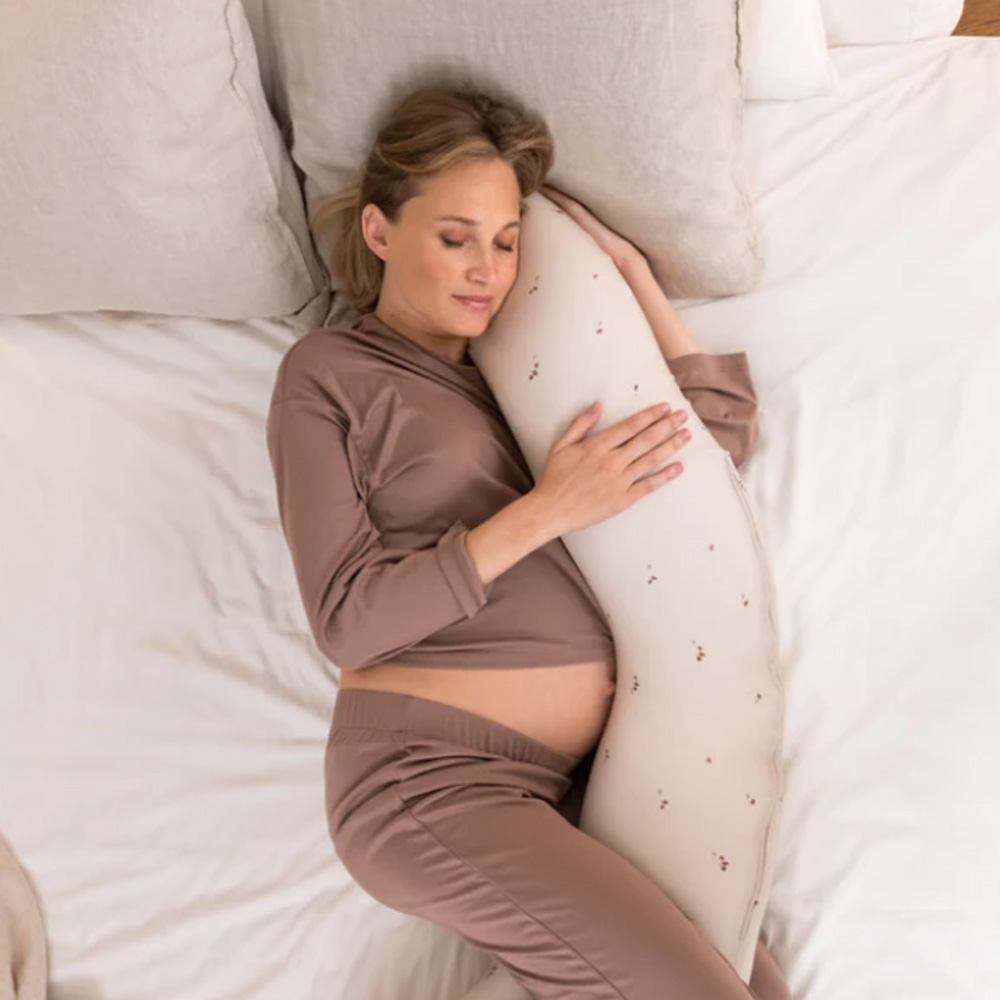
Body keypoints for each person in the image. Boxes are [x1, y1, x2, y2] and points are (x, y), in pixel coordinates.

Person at [266, 83, 789, 1000]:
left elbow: (709, 460)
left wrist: (630, 277)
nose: (486, 269)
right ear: (382, 233)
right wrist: (546, 509)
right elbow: (346, 620)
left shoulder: (525, 364)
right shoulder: (330, 374)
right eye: (454, 237)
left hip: (566, 785)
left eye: (507, 241)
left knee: (752, 979)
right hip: (425, 784)